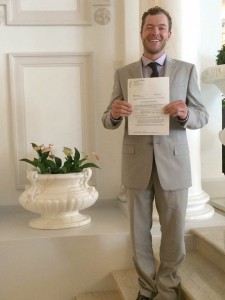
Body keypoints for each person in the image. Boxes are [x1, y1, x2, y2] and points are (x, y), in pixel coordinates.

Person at [102, 6, 208, 300]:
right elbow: (106, 120)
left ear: (169, 34)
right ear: (142, 32)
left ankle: (168, 287)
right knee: (139, 233)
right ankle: (146, 289)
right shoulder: (124, 74)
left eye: (161, 27)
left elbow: (202, 115)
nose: (155, 33)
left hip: (173, 164)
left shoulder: (186, 70)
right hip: (136, 164)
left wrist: (186, 113)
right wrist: (113, 113)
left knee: (173, 233)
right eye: (150, 27)